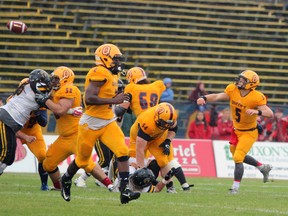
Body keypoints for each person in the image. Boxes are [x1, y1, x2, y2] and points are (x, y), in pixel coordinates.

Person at [60, 44, 140, 204]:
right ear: (105, 58)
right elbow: (89, 98)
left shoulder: (112, 74)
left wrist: (116, 96)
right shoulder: (99, 72)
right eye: (115, 58)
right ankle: (66, 179)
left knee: (122, 152)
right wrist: (115, 100)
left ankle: (124, 191)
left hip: (108, 121)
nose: (118, 62)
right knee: (82, 160)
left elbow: (107, 95)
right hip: (90, 123)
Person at [197, 70, 274, 194]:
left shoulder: (257, 97)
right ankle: (262, 167)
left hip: (249, 132)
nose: (240, 81)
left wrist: (257, 112)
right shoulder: (233, 89)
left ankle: (235, 188)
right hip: (236, 130)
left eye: (244, 80)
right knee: (236, 154)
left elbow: (270, 113)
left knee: (238, 157)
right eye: (241, 78)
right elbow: (218, 96)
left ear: (251, 84)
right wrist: (204, 97)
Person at [38, 66, 113, 191]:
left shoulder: (69, 89)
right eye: (53, 79)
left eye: (57, 79)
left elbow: (60, 110)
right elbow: (57, 111)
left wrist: (45, 100)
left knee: (87, 164)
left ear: (65, 79)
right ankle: (59, 187)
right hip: (64, 137)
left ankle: (110, 185)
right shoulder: (56, 91)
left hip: (76, 134)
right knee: (48, 164)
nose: (54, 81)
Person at [0, 69, 52, 175]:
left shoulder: (27, 88)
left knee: (9, 158)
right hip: (6, 119)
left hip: (12, 124)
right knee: (5, 155)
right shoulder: (33, 89)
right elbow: (50, 98)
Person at [130, 102, 191, 191]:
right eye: (164, 122)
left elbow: (173, 128)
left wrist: (167, 141)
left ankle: (170, 186)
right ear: (157, 116)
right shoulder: (147, 122)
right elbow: (139, 149)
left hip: (157, 137)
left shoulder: (170, 118)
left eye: (168, 124)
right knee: (134, 162)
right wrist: (141, 169)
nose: (165, 126)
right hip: (139, 138)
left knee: (163, 160)